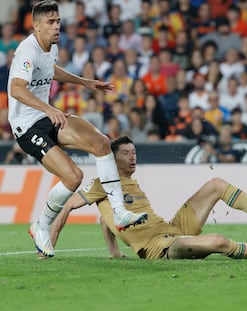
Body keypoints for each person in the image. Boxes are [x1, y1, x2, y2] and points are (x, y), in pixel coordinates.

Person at [7, 0, 147, 258]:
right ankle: (42, 224)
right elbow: (17, 88)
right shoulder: (27, 50)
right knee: (73, 177)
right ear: (36, 26)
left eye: (58, 21)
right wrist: (49, 109)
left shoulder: (51, 47)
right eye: (50, 22)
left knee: (101, 142)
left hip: (46, 116)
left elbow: (51, 70)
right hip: (27, 127)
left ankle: (119, 211)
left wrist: (84, 82)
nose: (57, 26)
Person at [50, 136, 247, 260]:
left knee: (216, 184)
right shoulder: (103, 183)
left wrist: (114, 252)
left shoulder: (128, 184)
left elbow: (106, 218)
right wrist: (49, 244)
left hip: (172, 229)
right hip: (160, 248)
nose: (132, 157)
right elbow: (69, 205)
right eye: (126, 153)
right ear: (113, 159)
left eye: (134, 152)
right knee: (218, 240)